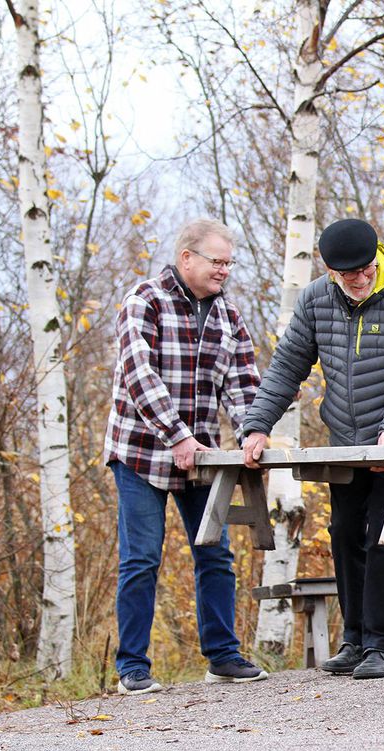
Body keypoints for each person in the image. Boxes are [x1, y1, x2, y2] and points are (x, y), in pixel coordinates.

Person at [241, 219, 384, 681]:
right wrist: (257, 426)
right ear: (330, 270)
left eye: (366, 270)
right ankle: (354, 639)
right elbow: (288, 366)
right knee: (344, 531)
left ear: (377, 259)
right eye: (347, 273)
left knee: (383, 535)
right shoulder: (315, 300)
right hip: (346, 442)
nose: (359, 279)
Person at [104, 219, 267, 695]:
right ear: (187, 258)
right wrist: (175, 436)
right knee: (141, 559)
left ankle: (223, 657)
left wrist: (251, 433)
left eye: (229, 263)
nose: (224, 270)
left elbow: (241, 384)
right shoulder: (145, 301)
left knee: (215, 554)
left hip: (201, 458)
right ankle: (132, 667)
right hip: (141, 453)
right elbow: (139, 376)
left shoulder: (228, 316)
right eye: (217, 261)